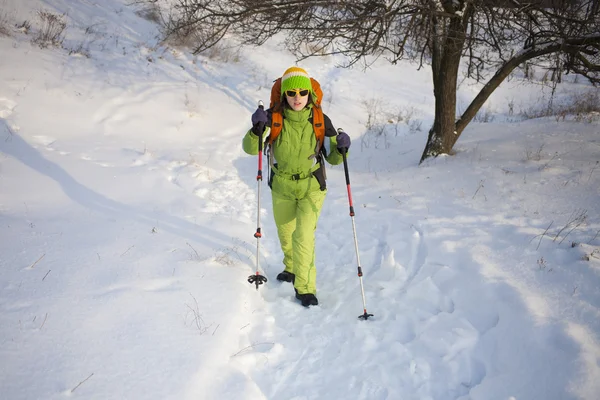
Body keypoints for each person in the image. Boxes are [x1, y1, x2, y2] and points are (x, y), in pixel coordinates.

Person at [242, 66, 351, 307]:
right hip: (281, 185)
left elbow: (333, 158)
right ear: (284, 95)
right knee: (286, 232)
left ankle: (305, 288)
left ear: (310, 94)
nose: (297, 98)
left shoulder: (321, 120)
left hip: (312, 185)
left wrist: (342, 148)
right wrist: (255, 129)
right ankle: (290, 267)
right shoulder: (273, 117)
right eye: (292, 93)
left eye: (303, 92)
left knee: (303, 236)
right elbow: (251, 149)